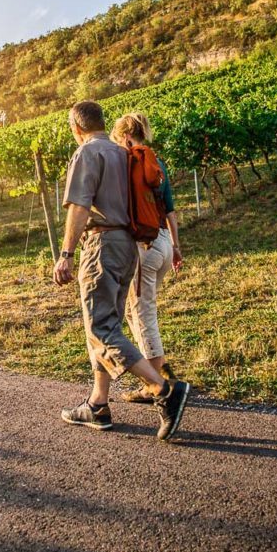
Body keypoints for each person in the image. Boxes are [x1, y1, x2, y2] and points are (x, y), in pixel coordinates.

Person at [53, 100, 190, 441]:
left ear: (76, 127)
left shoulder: (87, 152)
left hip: (102, 244)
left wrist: (66, 253)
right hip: (129, 246)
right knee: (107, 324)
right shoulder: (123, 153)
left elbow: (80, 206)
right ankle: (98, 404)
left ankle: (163, 389)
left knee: (101, 326)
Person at [111, 112, 182, 404]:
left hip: (144, 246)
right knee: (135, 312)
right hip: (163, 243)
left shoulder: (130, 163)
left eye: (118, 141)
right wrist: (176, 247)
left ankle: (158, 384)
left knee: (143, 315)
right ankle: (159, 373)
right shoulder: (157, 164)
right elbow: (170, 210)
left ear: (127, 137)